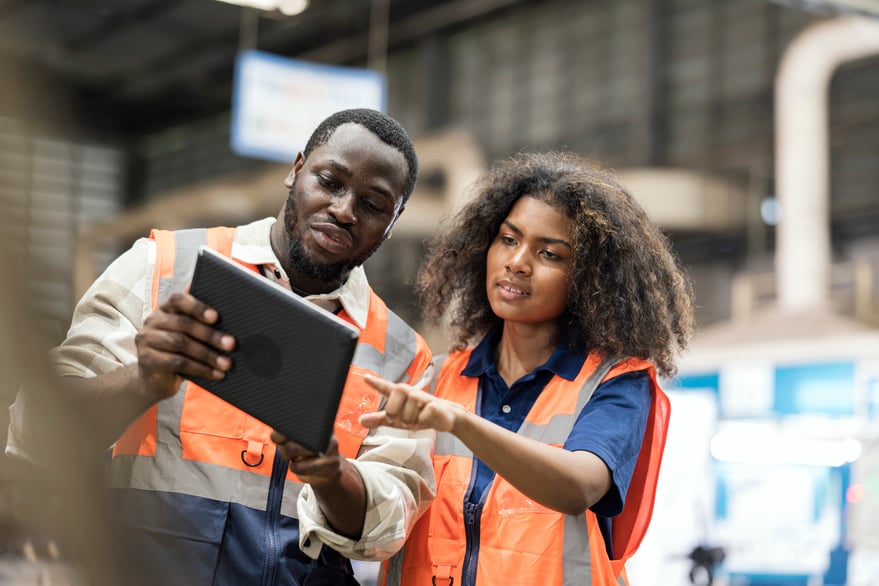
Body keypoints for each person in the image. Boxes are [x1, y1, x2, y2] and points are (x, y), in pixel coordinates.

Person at [6, 108, 436, 586]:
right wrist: (143, 378)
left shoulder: (402, 355)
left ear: (393, 222)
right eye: (330, 181)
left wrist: (332, 474)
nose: (344, 210)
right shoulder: (164, 269)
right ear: (296, 170)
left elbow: (389, 527)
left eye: (374, 205)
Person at [359, 151, 696, 586]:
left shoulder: (615, 384)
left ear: (589, 279)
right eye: (508, 239)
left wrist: (460, 422)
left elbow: (578, 487)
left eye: (550, 254)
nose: (517, 262)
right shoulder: (435, 377)